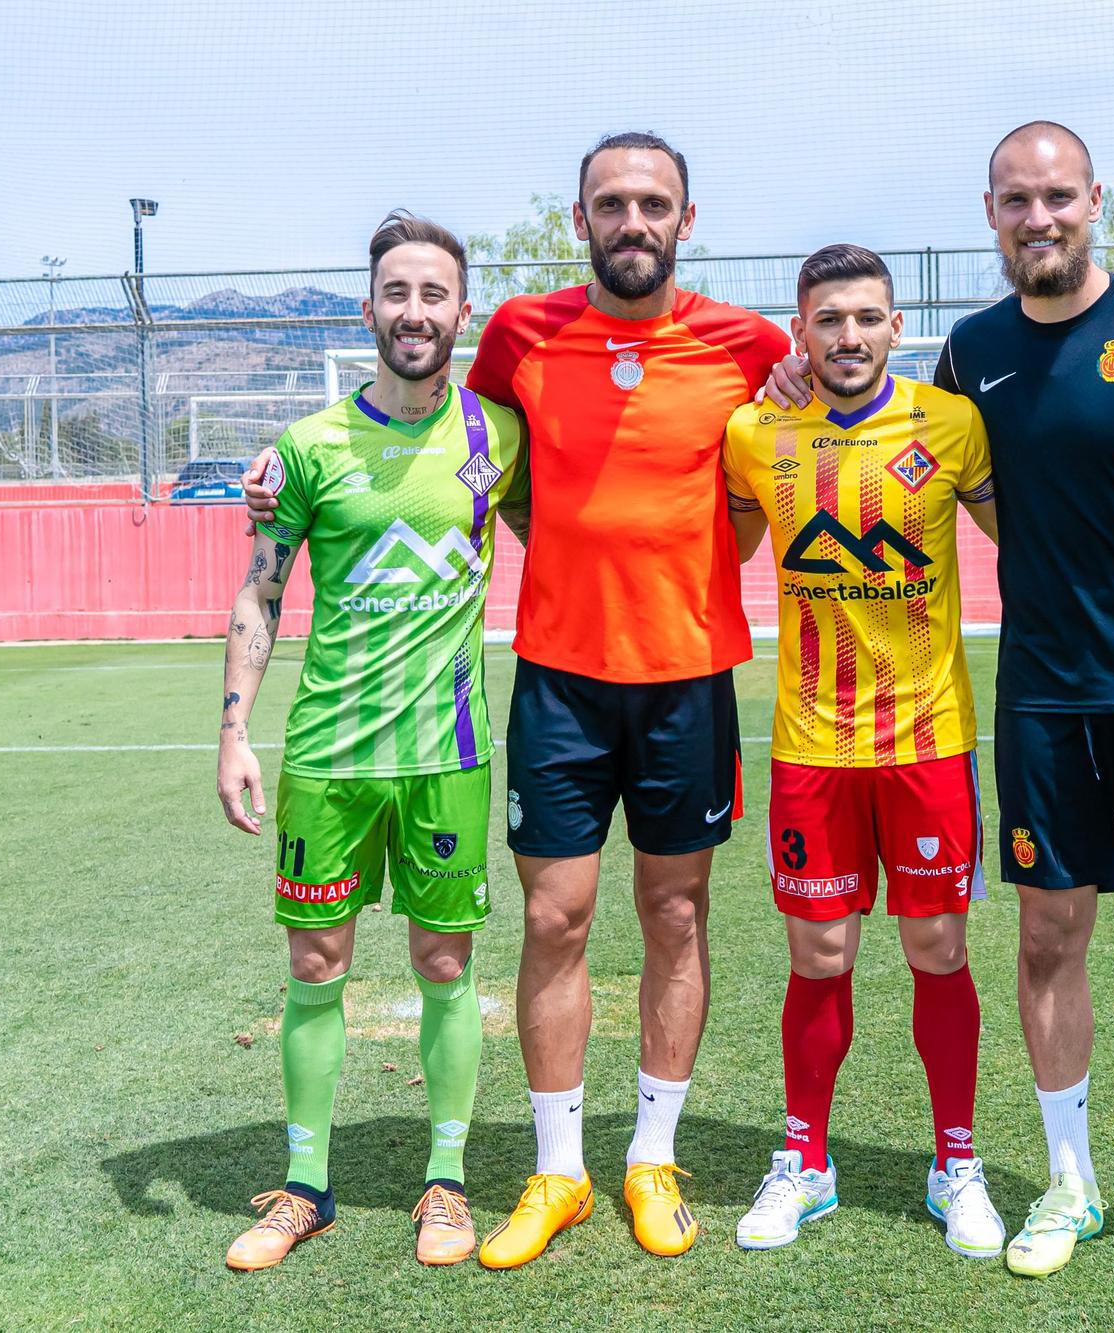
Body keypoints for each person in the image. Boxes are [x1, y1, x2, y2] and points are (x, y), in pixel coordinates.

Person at [245, 132, 788, 1269]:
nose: (630, 220)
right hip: (559, 680)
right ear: (578, 218)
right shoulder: (520, 336)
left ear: (687, 221)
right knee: (553, 919)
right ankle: (557, 1171)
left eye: (652, 204)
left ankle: (651, 1156)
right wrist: (286, 462)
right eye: (609, 203)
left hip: (689, 679)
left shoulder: (751, 345)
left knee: (676, 915)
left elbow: (805, 433)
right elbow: (452, 436)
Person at [764, 121, 1114, 1297]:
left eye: (1055, 197)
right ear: (988, 212)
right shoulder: (972, 358)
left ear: (1093, 199)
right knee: (1047, 939)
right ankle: (1067, 1181)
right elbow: (885, 427)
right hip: (1041, 698)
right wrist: (791, 375)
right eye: (1014, 200)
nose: (1036, 218)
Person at [216, 211, 527, 1272]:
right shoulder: (304, 448)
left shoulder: (499, 437)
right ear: (368, 311)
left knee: (446, 964)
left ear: (461, 313)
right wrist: (233, 734)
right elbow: (260, 591)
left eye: (433, 294)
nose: (413, 312)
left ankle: (444, 1181)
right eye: (396, 293)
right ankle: (305, 1186)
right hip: (327, 755)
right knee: (314, 966)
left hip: (444, 755)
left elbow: (577, 515)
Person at [721, 245, 1006, 1259]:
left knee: (937, 949)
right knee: (820, 953)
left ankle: (954, 1163)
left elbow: (1030, 538)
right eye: (828, 319)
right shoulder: (753, 433)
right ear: (800, 331)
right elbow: (727, 546)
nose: (848, 336)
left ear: (896, 327)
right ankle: (805, 1159)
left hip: (928, 741)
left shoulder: (951, 425)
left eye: (867, 318)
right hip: (809, 744)